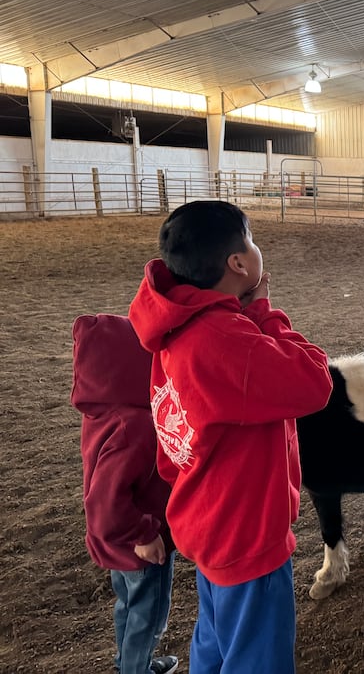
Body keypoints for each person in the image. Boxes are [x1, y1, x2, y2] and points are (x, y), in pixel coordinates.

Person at [128, 201, 334, 674]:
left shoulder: (177, 328)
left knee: (216, 641)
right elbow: (315, 380)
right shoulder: (226, 341)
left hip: (205, 518)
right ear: (238, 264)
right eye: (253, 239)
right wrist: (263, 313)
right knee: (257, 657)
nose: (258, 248)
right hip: (245, 535)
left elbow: (171, 438)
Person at [71, 313, 179, 674]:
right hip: (142, 546)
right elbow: (107, 504)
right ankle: (136, 668)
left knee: (128, 606)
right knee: (148, 618)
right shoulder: (133, 426)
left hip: (120, 547)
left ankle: (129, 664)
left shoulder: (101, 414)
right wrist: (145, 534)